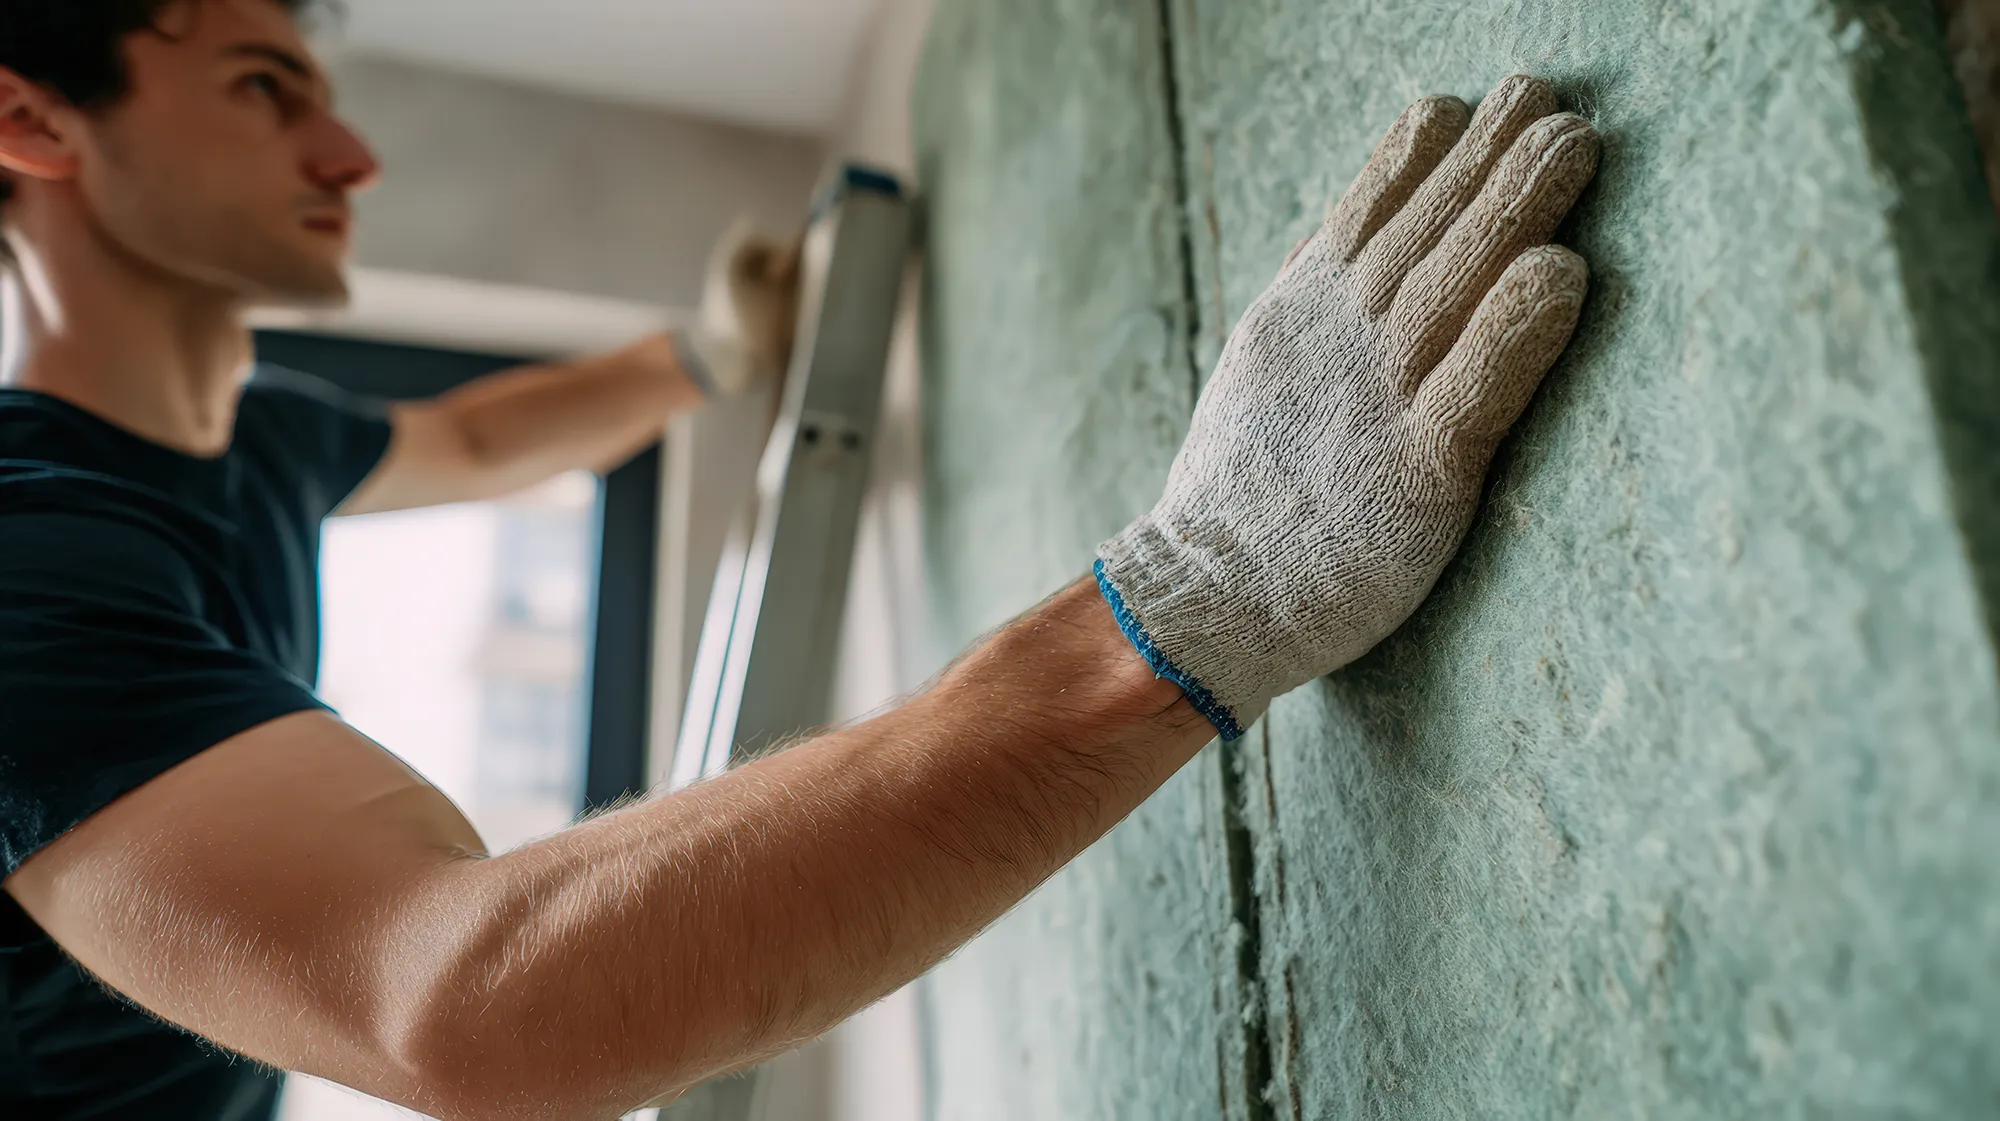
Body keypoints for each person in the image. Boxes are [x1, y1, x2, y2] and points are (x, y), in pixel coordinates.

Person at [0, 1, 1601, 1118]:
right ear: (32, 119)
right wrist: (1208, 593)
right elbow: (456, 1006)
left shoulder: (261, 441)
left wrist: (705, 357)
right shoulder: (21, 559)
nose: (347, 152)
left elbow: (480, 440)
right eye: (263, 86)